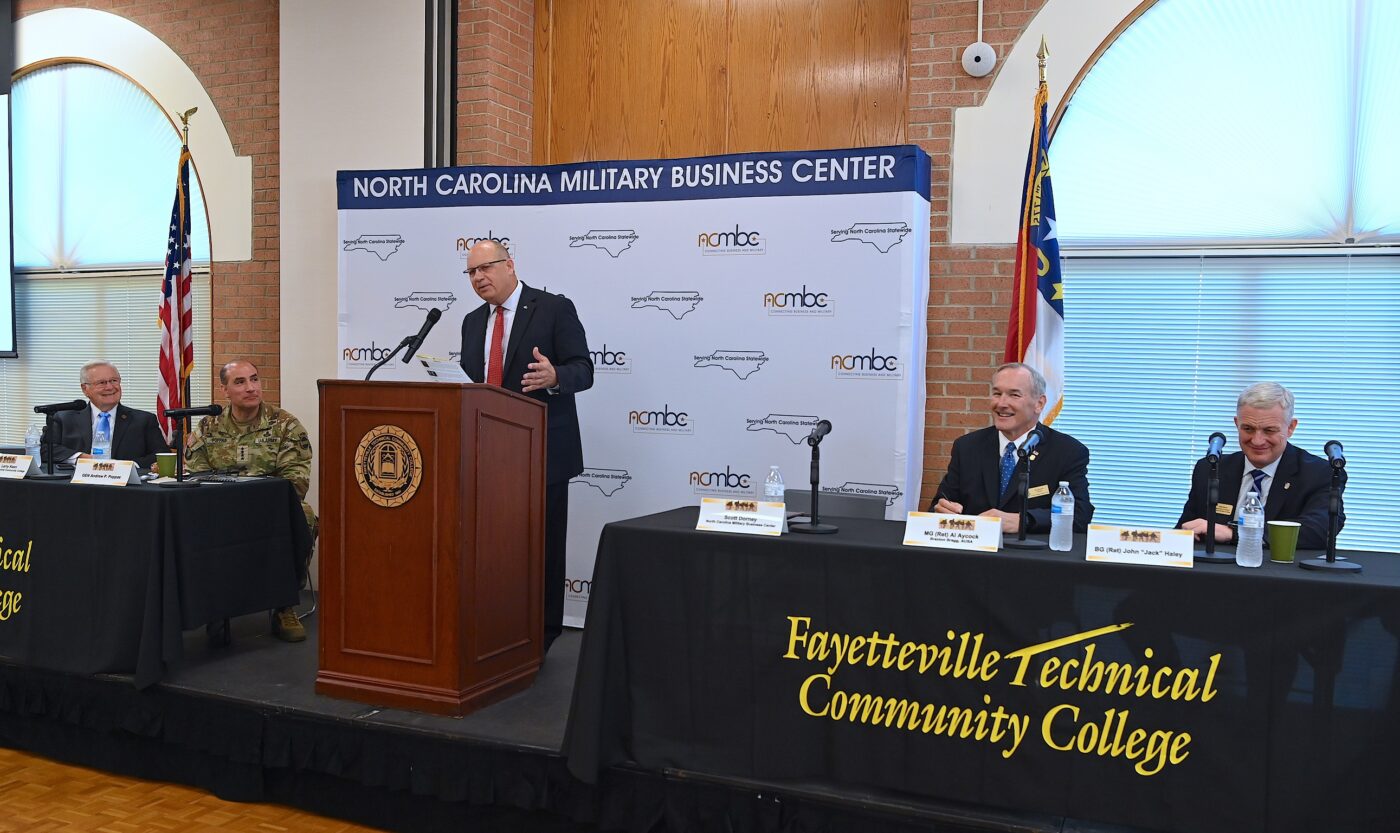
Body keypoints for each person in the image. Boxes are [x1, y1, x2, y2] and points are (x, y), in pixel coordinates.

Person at [459, 240, 593, 653]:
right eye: (471, 272)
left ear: (510, 265)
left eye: (486, 268)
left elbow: (584, 370)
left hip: (543, 453)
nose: (479, 277)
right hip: (487, 455)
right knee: (494, 548)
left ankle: (544, 635)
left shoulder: (553, 308)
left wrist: (555, 377)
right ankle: (499, 626)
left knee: (544, 548)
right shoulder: (470, 321)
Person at [185, 359, 316, 642]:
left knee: (304, 516)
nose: (251, 388)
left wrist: (252, 504)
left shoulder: (285, 425)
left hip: (270, 508)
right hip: (220, 507)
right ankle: (214, 606)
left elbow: (296, 481)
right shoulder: (209, 426)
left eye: (254, 379)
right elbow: (196, 473)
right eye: (240, 382)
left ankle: (284, 606)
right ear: (225, 391)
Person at [929, 362, 1094, 534]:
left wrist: (1024, 520)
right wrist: (942, 509)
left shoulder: (1068, 452)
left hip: (1031, 557)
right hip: (974, 555)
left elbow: (1080, 515)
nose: (1001, 403)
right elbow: (939, 505)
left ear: (1039, 403)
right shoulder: (967, 447)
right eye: (997, 393)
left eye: (1014, 395)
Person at [1177, 381, 1341, 551]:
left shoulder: (1318, 473)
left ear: (1291, 427)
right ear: (1236, 424)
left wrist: (1234, 533)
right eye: (1248, 429)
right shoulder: (1210, 469)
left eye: (1269, 430)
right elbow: (1185, 529)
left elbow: (1319, 531)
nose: (1257, 440)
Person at [41, 360, 170, 470]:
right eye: (102, 383)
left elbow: (162, 455)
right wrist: (81, 457)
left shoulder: (143, 420)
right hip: (76, 486)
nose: (110, 387)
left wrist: (126, 467)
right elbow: (46, 450)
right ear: (85, 389)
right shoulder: (64, 418)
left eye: (114, 380)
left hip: (125, 488)